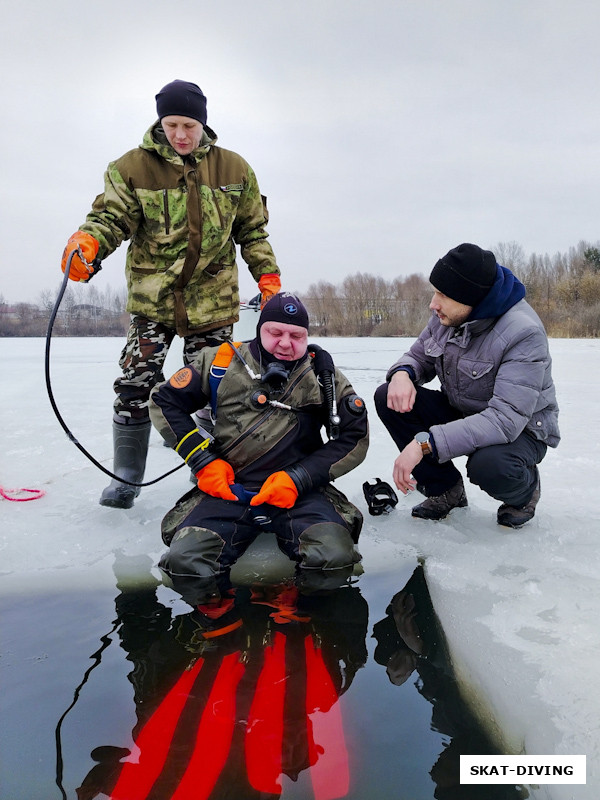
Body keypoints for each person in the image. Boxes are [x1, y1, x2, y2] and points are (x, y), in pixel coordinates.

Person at [60, 79, 281, 509]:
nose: (181, 134)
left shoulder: (235, 169)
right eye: (172, 123)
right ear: (161, 121)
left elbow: (253, 232)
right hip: (153, 300)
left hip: (213, 300)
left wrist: (268, 280)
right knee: (135, 381)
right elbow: (109, 219)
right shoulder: (131, 168)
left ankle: (223, 466)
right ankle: (127, 474)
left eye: (189, 125)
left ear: (204, 124)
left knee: (222, 389)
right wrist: (88, 243)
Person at [148, 292, 368, 628]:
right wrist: (204, 462)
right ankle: (221, 616)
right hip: (230, 488)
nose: (285, 343)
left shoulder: (324, 375)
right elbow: (165, 402)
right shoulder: (219, 361)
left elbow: (355, 436)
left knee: (334, 559)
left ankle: (300, 610)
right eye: (275, 333)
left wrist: (300, 478)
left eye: (296, 336)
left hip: (301, 491)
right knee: (185, 564)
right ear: (260, 328)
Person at [374, 243, 560, 528]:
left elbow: (504, 420)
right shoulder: (448, 315)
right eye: (435, 291)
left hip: (520, 429)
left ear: (472, 298)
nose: (433, 304)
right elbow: (417, 356)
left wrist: (424, 444)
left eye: (443, 295)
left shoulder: (523, 333)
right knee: (389, 396)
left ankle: (524, 492)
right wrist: (402, 374)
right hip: (464, 408)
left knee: (489, 466)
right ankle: (445, 490)